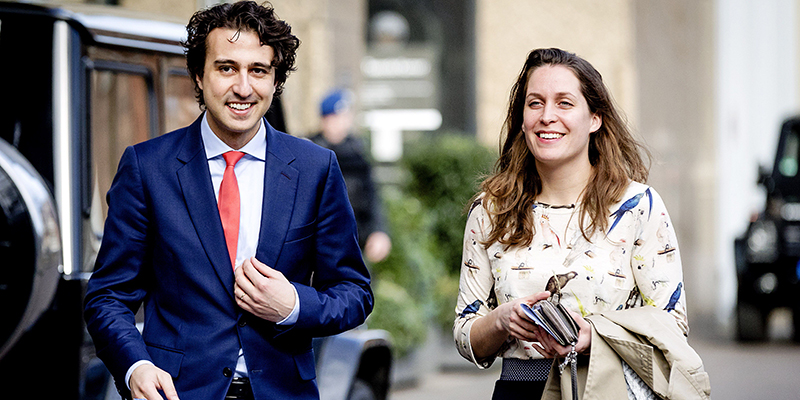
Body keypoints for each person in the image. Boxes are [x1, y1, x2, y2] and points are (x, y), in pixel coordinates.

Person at [83, 2, 373, 400]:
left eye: (258, 70)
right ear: (198, 77)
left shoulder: (315, 167)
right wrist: (135, 366)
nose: (243, 87)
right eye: (226, 68)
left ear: (275, 81)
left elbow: (354, 292)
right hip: (178, 393)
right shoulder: (148, 167)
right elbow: (108, 295)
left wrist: (293, 305)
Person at [453, 48, 689, 399]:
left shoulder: (638, 206)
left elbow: (673, 324)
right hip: (521, 389)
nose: (547, 116)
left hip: (608, 387)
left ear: (595, 118)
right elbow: (464, 334)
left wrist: (593, 335)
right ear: (522, 118)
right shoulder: (491, 210)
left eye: (564, 103)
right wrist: (502, 321)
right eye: (535, 103)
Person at [309, 89, 392, 264]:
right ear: (326, 118)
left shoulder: (357, 151)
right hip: (316, 244)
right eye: (338, 117)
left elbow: (372, 195)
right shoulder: (310, 150)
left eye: (346, 116)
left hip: (355, 242)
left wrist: (379, 231)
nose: (343, 122)